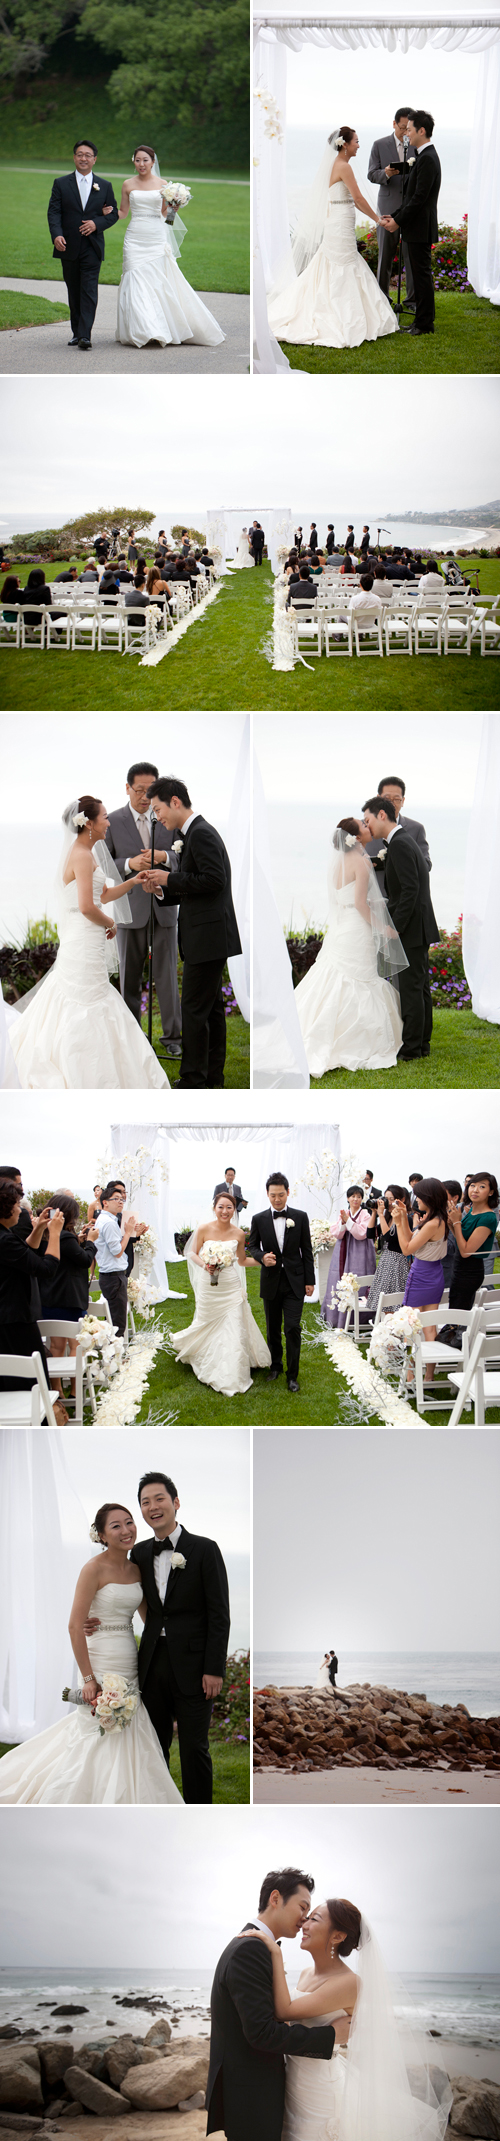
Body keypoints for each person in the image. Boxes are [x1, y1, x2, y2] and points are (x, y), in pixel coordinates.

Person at [0, 1501, 182, 1804]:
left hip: (128, 1656)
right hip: (100, 1659)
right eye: (115, 1526)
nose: (126, 1530)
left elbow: (150, 1619)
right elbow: (74, 1626)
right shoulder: (93, 1569)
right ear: (101, 1535)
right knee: (95, 1724)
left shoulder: (137, 1568)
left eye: (128, 1522)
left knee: (130, 1723)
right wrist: (87, 1678)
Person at [244, 1895, 451, 2141]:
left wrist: (275, 1954)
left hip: (319, 2093)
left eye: (314, 1919)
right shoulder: (306, 1973)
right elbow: (289, 2023)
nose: (304, 1924)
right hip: (293, 2086)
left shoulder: (349, 1983)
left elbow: (284, 2011)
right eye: (307, 1917)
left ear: (338, 1936)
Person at [84, 1471, 230, 1804]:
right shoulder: (139, 1554)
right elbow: (127, 1599)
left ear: (175, 1503)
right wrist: (90, 1623)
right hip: (149, 1665)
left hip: (196, 1669)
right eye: (145, 1502)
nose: (153, 1507)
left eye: (159, 1499)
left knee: (195, 1748)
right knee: (153, 1745)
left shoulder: (205, 1550)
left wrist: (215, 1668)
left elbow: (219, 1615)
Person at [7, 796, 169, 1091]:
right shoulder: (81, 855)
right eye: (105, 817)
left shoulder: (88, 852)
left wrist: (132, 882)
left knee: (94, 997)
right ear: (89, 824)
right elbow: (85, 907)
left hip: (89, 938)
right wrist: (110, 923)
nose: (109, 822)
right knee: (82, 1000)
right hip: (83, 938)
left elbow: (102, 896)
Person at [206, 1868, 336, 2141]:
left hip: (249, 2093)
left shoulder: (255, 1946)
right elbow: (261, 2033)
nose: (305, 1918)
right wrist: (332, 2036)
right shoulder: (250, 1949)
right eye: (303, 1907)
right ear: (275, 1898)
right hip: (252, 2097)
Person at [145, 776, 242, 1089]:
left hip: (208, 937)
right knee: (211, 1012)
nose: (157, 817)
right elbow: (196, 885)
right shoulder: (193, 834)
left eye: (158, 809)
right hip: (208, 936)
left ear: (175, 801)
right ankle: (211, 1077)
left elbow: (215, 880)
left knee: (194, 1011)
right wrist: (162, 887)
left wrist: (170, 879)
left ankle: (193, 1080)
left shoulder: (200, 834)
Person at [293, 820, 406, 1077]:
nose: (368, 826)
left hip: (342, 928)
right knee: (359, 978)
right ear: (355, 836)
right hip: (356, 927)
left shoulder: (340, 863)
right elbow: (361, 904)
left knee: (333, 976)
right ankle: (353, 1038)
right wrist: (383, 928)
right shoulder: (362, 862)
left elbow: (343, 899)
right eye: (362, 826)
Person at [267, 127, 398, 348]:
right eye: (356, 141)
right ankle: (340, 316)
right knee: (343, 261)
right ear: (344, 144)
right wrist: (378, 219)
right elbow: (357, 198)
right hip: (341, 219)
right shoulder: (344, 166)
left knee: (335, 261)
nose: (358, 145)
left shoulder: (332, 165)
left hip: (337, 217)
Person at [105, 762, 182, 1059]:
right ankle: (132, 1037)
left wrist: (163, 858)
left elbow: (182, 860)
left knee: (167, 977)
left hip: (164, 909)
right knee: (130, 978)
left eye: (151, 791)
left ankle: (173, 1036)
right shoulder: (112, 821)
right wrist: (129, 864)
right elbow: (104, 868)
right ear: (127, 788)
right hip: (128, 911)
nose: (146, 797)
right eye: (140, 790)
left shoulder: (167, 820)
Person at [115, 143, 225, 349]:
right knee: (134, 278)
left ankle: (158, 327)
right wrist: (107, 213)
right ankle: (143, 329)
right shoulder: (127, 184)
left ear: (153, 162)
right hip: (134, 237)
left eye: (145, 160)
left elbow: (167, 218)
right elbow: (122, 213)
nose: (141, 164)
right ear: (133, 162)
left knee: (156, 281)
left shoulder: (163, 184)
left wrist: (175, 208)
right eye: (137, 160)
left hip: (156, 236)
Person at [170, 1192, 270, 1396]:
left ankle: (232, 1371)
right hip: (209, 1286)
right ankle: (205, 1356)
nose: (225, 1211)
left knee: (233, 1325)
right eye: (221, 1207)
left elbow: (241, 1260)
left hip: (231, 1286)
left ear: (235, 1210)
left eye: (229, 1207)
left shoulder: (239, 1233)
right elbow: (191, 1252)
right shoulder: (204, 1228)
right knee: (206, 1321)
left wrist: (263, 1261)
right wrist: (205, 1266)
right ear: (214, 1208)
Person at [363, 798, 439, 1060]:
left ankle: (411, 1050)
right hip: (418, 926)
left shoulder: (401, 844)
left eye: (368, 820)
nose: (367, 825)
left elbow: (409, 890)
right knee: (419, 989)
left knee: (411, 990)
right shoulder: (401, 841)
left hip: (412, 929)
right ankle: (421, 1045)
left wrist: (395, 926)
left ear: (381, 814)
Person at [246, 1173, 315, 1395]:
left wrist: (310, 1280)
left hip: (295, 1281)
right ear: (267, 1194)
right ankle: (276, 1366)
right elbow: (252, 1246)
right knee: (273, 1328)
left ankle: (292, 1375)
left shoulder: (301, 1217)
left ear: (288, 1193)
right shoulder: (258, 1219)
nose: (277, 1199)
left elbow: (307, 1250)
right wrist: (262, 1256)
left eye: (281, 1194)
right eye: (273, 1195)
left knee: (292, 1328)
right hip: (271, 1281)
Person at [0, 1181, 66, 1411]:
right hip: (14, 1321)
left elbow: (25, 1253)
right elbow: (45, 1268)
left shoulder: (5, 1236)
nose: (20, 1210)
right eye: (16, 1205)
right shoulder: (4, 1240)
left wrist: (39, 1229)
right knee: (30, 1382)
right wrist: (55, 1233)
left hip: (8, 1318)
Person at [47, 139, 118, 350]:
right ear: (74, 157)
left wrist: (97, 223)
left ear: (95, 159)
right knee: (74, 289)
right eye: (79, 154)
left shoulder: (104, 186)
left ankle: (85, 336)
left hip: (92, 247)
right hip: (68, 245)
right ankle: (76, 332)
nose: (83, 158)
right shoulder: (60, 183)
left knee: (88, 290)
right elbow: (54, 212)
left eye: (88, 155)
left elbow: (113, 214)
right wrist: (56, 235)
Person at [382, 111, 441, 336]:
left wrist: (397, 222)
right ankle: (422, 322)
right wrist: (394, 215)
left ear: (421, 131)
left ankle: (424, 325)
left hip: (419, 228)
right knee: (420, 276)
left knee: (421, 277)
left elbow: (419, 199)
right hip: (416, 227)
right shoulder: (424, 155)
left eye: (410, 129)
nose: (407, 132)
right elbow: (411, 197)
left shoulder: (427, 158)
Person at [38, 1190, 97, 1400]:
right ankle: (74, 1389)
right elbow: (83, 1260)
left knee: (55, 1344)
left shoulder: (44, 1234)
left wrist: (78, 1240)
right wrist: (90, 1241)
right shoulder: (65, 1236)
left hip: (49, 1296)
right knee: (75, 1343)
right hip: (70, 1298)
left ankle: (57, 1391)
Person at [392, 1179, 448, 1369]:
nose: (417, 1200)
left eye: (420, 1196)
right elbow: (412, 1237)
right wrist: (402, 1218)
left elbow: (407, 1249)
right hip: (435, 1274)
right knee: (429, 1326)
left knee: (411, 1324)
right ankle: (429, 1375)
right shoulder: (437, 1219)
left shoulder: (432, 1223)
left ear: (429, 1198)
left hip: (421, 1274)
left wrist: (399, 1224)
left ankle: (410, 1374)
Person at [441, 1172, 499, 1343]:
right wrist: (453, 1224)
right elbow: (461, 1241)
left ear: (491, 1192)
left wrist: (457, 1222)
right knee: (455, 1312)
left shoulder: (488, 1217)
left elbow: (466, 1251)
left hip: (470, 1270)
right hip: (459, 1268)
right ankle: (451, 1347)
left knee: (461, 1315)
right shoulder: (472, 1211)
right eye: (472, 1185)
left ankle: (462, 1350)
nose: (475, 1190)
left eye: (482, 1186)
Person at [367, 108, 415, 305]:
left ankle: (412, 300)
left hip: (410, 208)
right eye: (403, 127)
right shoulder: (379, 145)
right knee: (385, 257)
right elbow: (371, 174)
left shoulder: (415, 145)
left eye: (408, 128)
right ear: (394, 124)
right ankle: (382, 299)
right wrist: (386, 173)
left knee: (411, 258)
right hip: (387, 207)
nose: (405, 132)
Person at [322, 1185, 377, 1329]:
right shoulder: (344, 1213)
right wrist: (343, 1221)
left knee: (359, 1279)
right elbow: (337, 1233)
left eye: (358, 1197)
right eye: (353, 1196)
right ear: (348, 1198)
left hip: (360, 1251)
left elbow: (361, 1234)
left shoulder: (365, 1214)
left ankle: (360, 1319)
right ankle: (336, 1318)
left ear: (362, 1199)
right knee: (338, 1279)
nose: (355, 1199)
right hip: (343, 1250)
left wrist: (348, 1221)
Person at [365, 776, 432, 893]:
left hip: (404, 902)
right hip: (371, 901)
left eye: (396, 799)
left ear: (403, 801)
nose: (391, 804)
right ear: (378, 799)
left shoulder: (416, 829)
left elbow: (425, 866)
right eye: (386, 799)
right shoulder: (363, 828)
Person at [365, 1185, 412, 1316]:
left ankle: (394, 1333)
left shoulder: (405, 1218)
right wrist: (374, 1212)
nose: (387, 1202)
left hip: (397, 1263)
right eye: (385, 1199)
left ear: (401, 1199)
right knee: (385, 1305)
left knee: (393, 1305)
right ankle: (387, 1332)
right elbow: (369, 1233)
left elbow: (389, 1238)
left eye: (391, 1199)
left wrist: (381, 1214)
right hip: (386, 1263)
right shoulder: (388, 1217)